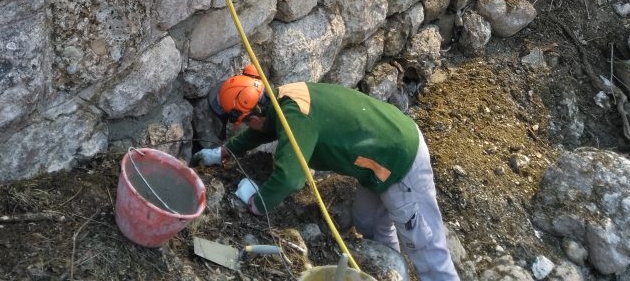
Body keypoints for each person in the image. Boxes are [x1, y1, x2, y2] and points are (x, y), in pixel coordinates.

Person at [195, 66, 459, 281]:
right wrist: (224, 152)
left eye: (243, 122)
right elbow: (264, 129)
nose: (245, 128)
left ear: (253, 114)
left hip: (400, 160)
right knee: (367, 222)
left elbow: (291, 178)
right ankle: (390, 272)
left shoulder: (296, 118)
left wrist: (257, 202)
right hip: (381, 152)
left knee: (424, 245)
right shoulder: (284, 99)